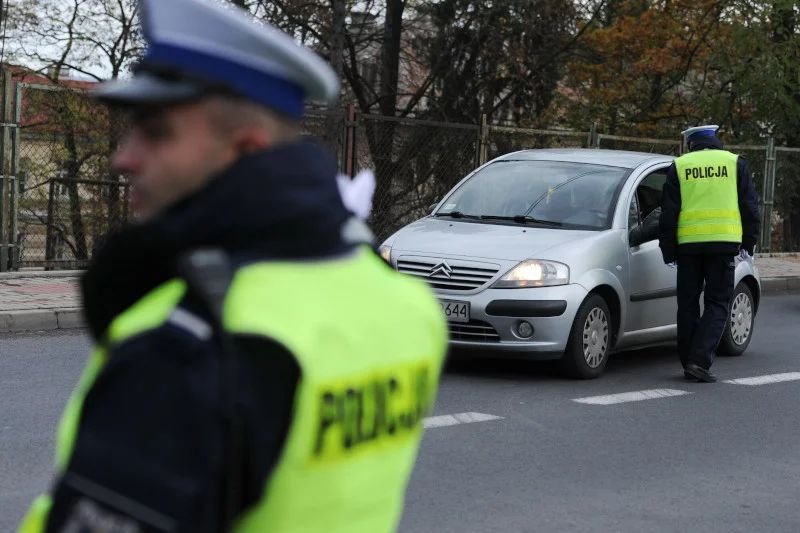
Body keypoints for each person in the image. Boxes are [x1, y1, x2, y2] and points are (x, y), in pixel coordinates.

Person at [20, 0, 447, 531]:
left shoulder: (190, 342)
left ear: (245, 148)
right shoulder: (402, 300)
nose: (123, 158)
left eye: (156, 133)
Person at [659, 125, 760, 383]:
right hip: (723, 245)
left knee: (688, 303)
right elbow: (749, 206)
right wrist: (749, 242)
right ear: (716, 141)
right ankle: (699, 360)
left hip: (688, 246)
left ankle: (688, 360)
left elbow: (668, 213)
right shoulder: (734, 163)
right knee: (717, 303)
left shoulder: (680, 166)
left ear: (691, 143)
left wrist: (668, 249)